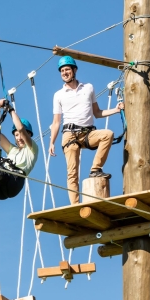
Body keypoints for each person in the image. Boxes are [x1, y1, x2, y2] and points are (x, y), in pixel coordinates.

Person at [49, 56, 124, 205]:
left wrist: (116, 110)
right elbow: (56, 122)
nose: (65, 73)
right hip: (70, 135)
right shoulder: (58, 95)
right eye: (62, 71)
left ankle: (95, 169)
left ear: (74, 70)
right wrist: (52, 142)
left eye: (67, 70)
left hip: (88, 133)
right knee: (72, 173)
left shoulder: (88, 88)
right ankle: (75, 205)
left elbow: (97, 113)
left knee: (107, 134)